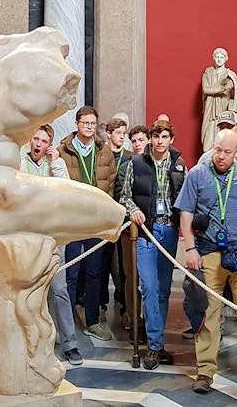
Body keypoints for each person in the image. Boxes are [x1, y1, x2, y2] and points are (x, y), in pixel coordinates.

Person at [175, 128, 237, 394]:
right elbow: (186, 213)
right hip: (208, 252)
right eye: (218, 150)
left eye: (227, 152)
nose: (221, 156)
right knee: (208, 313)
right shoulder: (197, 174)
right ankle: (205, 371)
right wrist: (190, 248)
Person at [119, 120, 186, 370]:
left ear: (171, 139)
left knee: (163, 290)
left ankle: (157, 343)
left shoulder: (180, 165)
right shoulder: (135, 164)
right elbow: (124, 196)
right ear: (150, 139)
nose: (159, 141)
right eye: (156, 136)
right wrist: (134, 210)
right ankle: (154, 345)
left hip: (168, 230)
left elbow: (185, 198)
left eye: (164, 136)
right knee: (148, 286)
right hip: (146, 231)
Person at [21, 124, 83, 366]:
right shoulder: (20, 162)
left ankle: (70, 343)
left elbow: (65, 192)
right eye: (35, 139)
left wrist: (57, 164)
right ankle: (31, 343)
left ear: (50, 145)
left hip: (54, 236)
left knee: (59, 289)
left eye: (43, 141)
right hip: (27, 237)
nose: (38, 144)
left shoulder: (55, 164)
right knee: (28, 293)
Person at [58, 106, 117, 341]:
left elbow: (111, 182)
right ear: (77, 124)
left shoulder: (105, 151)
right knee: (70, 273)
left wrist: (105, 209)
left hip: (95, 221)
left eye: (93, 124)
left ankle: (92, 321)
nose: (89, 127)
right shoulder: (64, 151)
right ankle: (68, 323)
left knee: (95, 273)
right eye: (85, 123)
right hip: (72, 221)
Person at [116, 124, 150, 341]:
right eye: (134, 141)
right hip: (130, 230)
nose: (137, 145)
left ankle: (150, 321)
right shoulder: (126, 166)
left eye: (141, 140)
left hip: (152, 230)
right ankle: (133, 318)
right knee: (131, 277)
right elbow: (121, 193)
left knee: (149, 280)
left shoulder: (157, 163)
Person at [99, 118, 133, 322]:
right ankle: (101, 302)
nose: (122, 136)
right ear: (109, 133)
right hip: (104, 216)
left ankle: (125, 306)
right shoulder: (102, 154)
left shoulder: (130, 157)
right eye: (118, 132)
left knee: (123, 266)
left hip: (124, 218)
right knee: (103, 263)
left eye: (124, 133)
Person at [201, 48, 237, 152]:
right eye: (217, 56)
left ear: (226, 59)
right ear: (213, 58)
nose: (219, 59)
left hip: (224, 110)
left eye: (222, 57)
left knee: (225, 140)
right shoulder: (208, 72)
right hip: (210, 111)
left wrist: (233, 82)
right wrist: (223, 88)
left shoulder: (230, 74)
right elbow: (206, 89)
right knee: (207, 144)